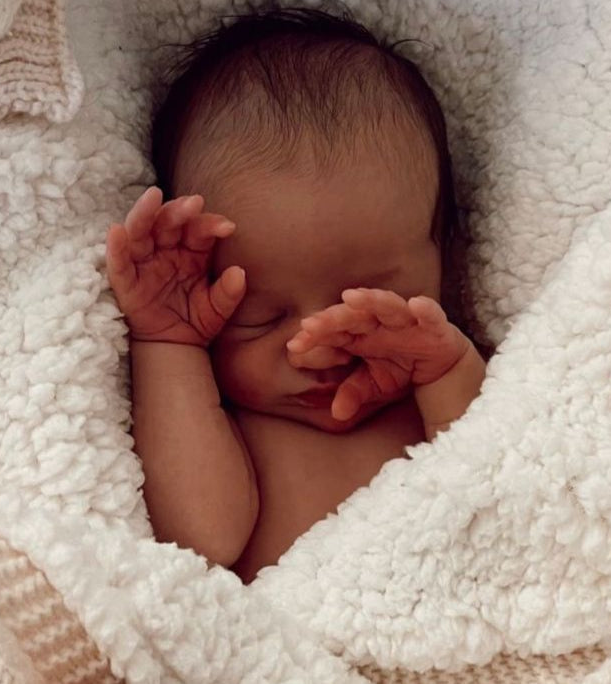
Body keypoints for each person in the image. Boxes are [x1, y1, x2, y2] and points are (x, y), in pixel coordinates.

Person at [105, 7, 486, 583]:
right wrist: (168, 342)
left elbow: (500, 483)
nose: (317, 347)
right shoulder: (220, 421)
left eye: (371, 298)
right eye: (259, 316)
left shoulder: (447, 382)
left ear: (448, 256)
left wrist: (447, 368)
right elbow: (199, 541)